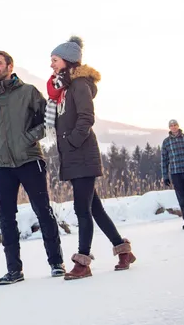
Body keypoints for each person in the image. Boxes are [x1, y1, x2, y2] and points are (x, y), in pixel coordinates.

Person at [0, 50, 65, 285]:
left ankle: (56, 263)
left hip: (30, 159)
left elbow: (48, 118)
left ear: (10, 67)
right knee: (6, 217)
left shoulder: (28, 92)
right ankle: (14, 270)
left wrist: (28, 138)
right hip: (3, 166)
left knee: (43, 211)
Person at [47, 36, 136, 281]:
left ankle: (83, 262)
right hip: (75, 157)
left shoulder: (79, 85)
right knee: (93, 208)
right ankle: (123, 250)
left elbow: (87, 117)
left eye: (54, 60)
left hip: (82, 154)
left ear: (67, 60)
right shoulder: (65, 89)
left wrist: (73, 142)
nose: (51, 65)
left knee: (82, 210)